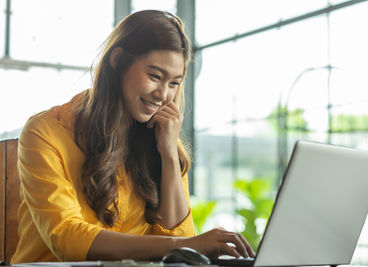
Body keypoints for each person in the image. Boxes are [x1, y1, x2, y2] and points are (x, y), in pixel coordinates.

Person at [10, 10, 254, 263]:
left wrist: (169, 154)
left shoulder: (163, 138)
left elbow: (181, 246)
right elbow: (68, 238)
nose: (163, 95)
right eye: (155, 76)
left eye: (174, 83)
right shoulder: (45, 131)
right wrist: (186, 244)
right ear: (117, 60)